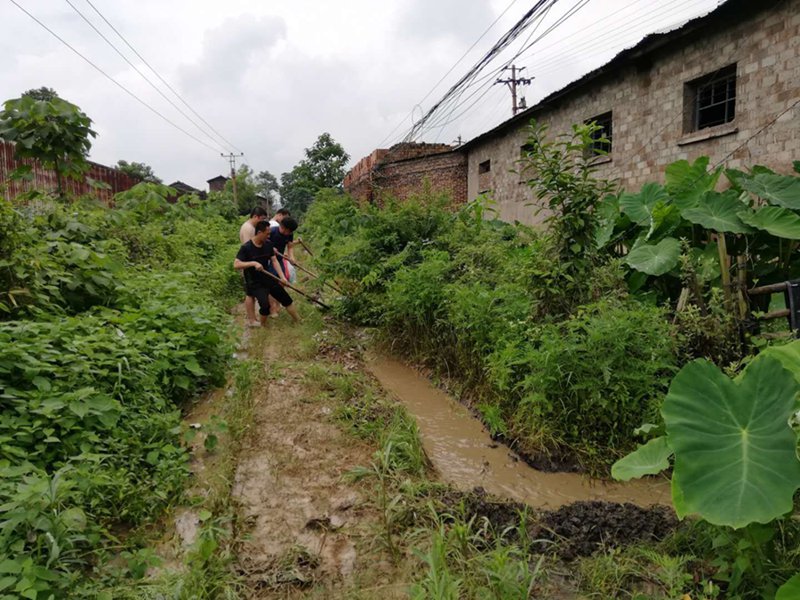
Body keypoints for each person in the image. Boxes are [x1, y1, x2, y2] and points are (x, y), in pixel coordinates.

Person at [234, 220, 300, 326]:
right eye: (267, 234)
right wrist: (253, 263)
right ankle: (263, 327)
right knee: (265, 305)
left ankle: (298, 321)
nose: (269, 236)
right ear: (259, 233)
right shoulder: (246, 247)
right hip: (254, 281)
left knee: (286, 298)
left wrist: (282, 277)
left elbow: (274, 261)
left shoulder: (268, 244)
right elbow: (236, 265)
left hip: (267, 277)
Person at [239, 207, 269, 326]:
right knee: (250, 293)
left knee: (252, 293)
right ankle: (251, 319)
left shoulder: (251, 227)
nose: (262, 222)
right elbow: (249, 248)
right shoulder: (247, 228)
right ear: (256, 216)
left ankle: (254, 318)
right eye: (261, 219)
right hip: (250, 265)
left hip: (254, 264)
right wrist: (254, 263)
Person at [267, 216, 298, 317]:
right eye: (288, 231)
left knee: (282, 282)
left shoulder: (290, 234)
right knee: (272, 283)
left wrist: (291, 257)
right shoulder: (271, 232)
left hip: (279, 260)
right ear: (283, 227)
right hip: (269, 260)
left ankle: (277, 303)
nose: (289, 234)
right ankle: (272, 308)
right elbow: (261, 244)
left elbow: (290, 246)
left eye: (290, 232)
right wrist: (271, 248)